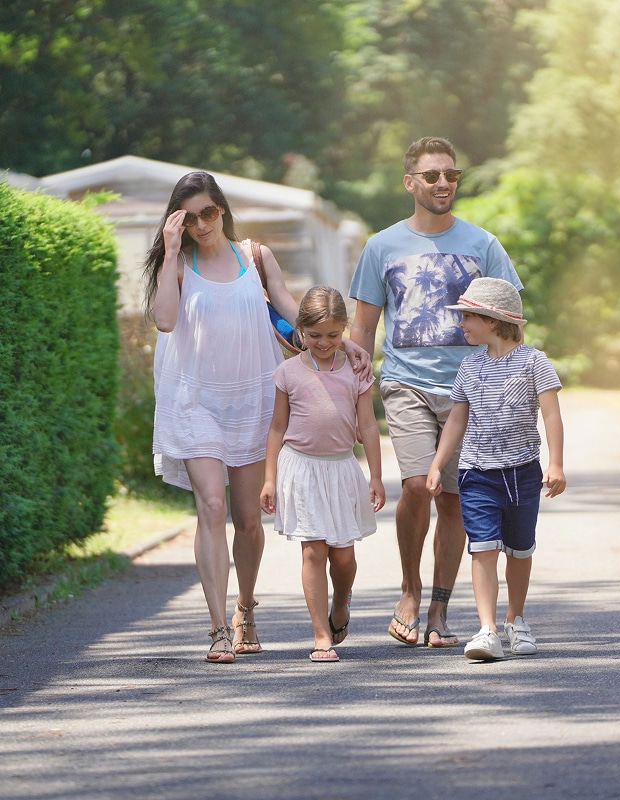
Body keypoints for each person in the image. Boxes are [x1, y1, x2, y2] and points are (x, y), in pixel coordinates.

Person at [142, 171, 369, 663]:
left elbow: (294, 315)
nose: (203, 224)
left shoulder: (256, 257)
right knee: (212, 507)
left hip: (251, 399)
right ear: (178, 221)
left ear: (221, 209)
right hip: (195, 399)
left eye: (209, 212)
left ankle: (245, 606)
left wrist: (345, 343)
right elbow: (164, 320)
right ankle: (219, 627)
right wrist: (167, 248)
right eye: (190, 217)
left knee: (248, 519)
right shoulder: (178, 264)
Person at [349, 136, 523, 648]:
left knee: (453, 500)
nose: (443, 183)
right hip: (406, 382)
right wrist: (353, 390)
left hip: (468, 389)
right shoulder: (382, 246)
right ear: (410, 183)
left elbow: (510, 321)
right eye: (432, 176)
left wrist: (513, 383)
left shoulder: (483, 244)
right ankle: (408, 589)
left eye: (451, 175)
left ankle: (440, 607)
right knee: (417, 486)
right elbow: (362, 328)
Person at [426, 277, 566, 661]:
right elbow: (456, 420)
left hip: (522, 471)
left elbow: (551, 414)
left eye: (468, 317)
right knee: (483, 548)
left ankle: (515, 619)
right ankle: (487, 629)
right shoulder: (470, 367)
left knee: (519, 550)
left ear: (493, 319)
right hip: (478, 473)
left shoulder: (534, 362)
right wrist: (438, 464)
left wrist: (555, 463)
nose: (462, 324)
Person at [260, 286, 385, 662]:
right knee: (313, 551)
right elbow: (277, 429)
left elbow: (369, 425)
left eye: (333, 335)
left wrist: (376, 476)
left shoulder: (356, 370)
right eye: (314, 336)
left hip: (342, 468)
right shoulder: (287, 373)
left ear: (344, 329)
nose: (324, 343)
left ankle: (341, 602)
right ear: (300, 329)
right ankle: (320, 635)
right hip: (301, 468)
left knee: (342, 557)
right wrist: (269, 479)